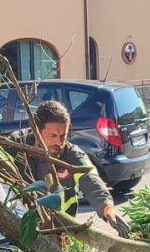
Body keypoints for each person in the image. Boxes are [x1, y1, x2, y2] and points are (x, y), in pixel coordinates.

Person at [8, 100, 130, 237]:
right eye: (53, 136)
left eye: (63, 136)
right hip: (21, 228)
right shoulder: (15, 146)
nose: (59, 143)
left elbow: (91, 179)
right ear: (36, 131)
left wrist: (107, 208)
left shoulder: (72, 155)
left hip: (61, 230)